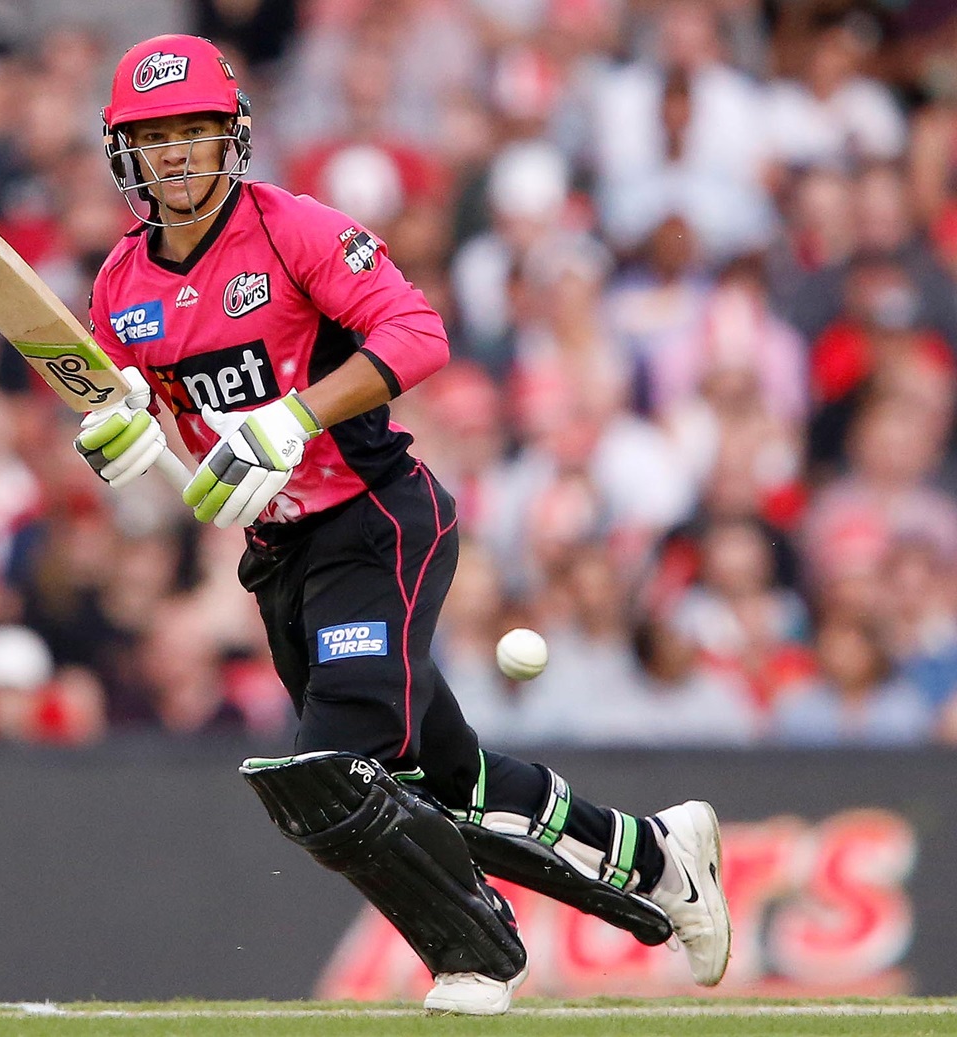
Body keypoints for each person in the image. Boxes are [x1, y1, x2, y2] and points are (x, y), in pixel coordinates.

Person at [76, 35, 732, 1016]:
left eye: (194, 132)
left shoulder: (294, 229)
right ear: (125, 153)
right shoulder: (118, 287)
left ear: (233, 138)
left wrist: (296, 414)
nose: (175, 156)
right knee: (449, 781)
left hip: (376, 521)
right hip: (282, 555)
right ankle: (658, 855)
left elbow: (417, 333)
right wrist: (127, 458)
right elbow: (176, 446)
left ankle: (473, 953)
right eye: (154, 137)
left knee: (332, 768)